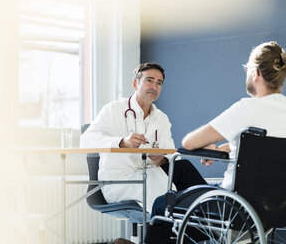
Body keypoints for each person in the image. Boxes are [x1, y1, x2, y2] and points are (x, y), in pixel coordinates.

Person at [147, 41, 286, 243]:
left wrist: (208, 147)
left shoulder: (248, 108)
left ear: (255, 73)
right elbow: (267, 148)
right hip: (281, 206)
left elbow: (189, 143)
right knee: (183, 169)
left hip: (235, 208)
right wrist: (225, 148)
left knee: (162, 205)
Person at [80, 62, 205, 215]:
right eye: (149, 80)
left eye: (159, 83)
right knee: (170, 195)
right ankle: (208, 218)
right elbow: (86, 140)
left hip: (150, 174)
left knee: (183, 169)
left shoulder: (161, 118)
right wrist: (122, 142)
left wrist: (162, 160)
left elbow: (171, 154)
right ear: (135, 84)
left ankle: (211, 211)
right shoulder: (113, 109)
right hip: (120, 181)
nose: (155, 86)